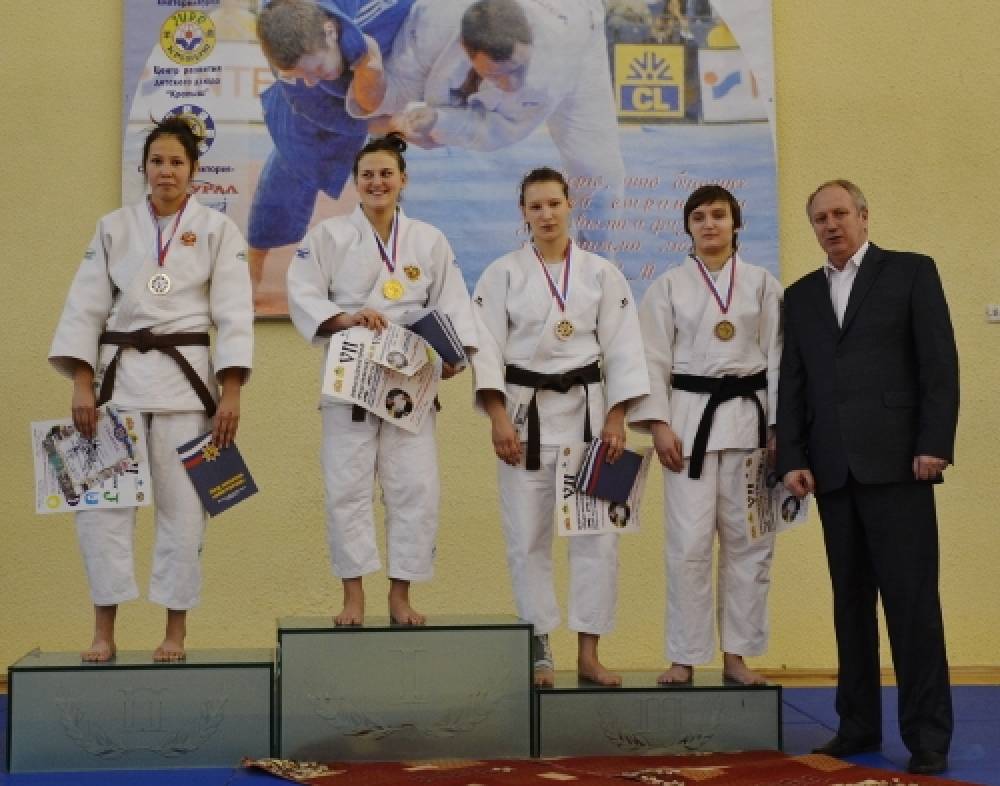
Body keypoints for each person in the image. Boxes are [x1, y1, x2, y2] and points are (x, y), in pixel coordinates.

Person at [48, 116, 254, 663]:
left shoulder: (217, 230)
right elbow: (85, 307)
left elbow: (235, 314)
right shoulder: (113, 227)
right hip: (118, 383)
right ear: (142, 168)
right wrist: (83, 382)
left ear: (194, 170)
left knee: (183, 512)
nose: (166, 171)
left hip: (186, 387)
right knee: (102, 510)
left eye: (176, 162)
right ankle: (103, 631)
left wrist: (231, 390)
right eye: (157, 161)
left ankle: (175, 632)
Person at [777, 179, 959, 776]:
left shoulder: (911, 272)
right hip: (832, 472)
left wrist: (934, 443)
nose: (830, 225)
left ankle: (927, 735)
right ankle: (856, 725)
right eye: (820, 218)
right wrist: (792, 456)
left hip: (900, 465)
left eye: (839, 213)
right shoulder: (801, 295)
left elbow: (939, 363)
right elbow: (794, 381)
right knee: (849, 606)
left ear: (863, 215)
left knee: (912, 606)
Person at [287, 134, 477, 626]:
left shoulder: (428, 240)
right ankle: (353, 597)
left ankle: (400, 595)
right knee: (346, 487)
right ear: (355, 182)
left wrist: (454, 356)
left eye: (386, 174)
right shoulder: (328, 236)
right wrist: (346, 317)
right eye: (367, 174)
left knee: (414, 487)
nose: (377, 182)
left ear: (403, 180)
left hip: (410, 376)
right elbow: (303, 292)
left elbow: (453, 301)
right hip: (350, 372)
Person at [471, 167, 649, 687]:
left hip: (590, 421)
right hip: (524, 422)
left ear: (571, 205)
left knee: (597, 536)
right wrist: (497, 417)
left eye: (554, 203)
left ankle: (589, 652)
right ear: (523, 213)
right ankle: (540, 648)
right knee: (526, 536)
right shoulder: (502, 274)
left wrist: (617, 417)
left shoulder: (602, 273)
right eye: (535, 206)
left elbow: (624, 349)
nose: (546, 214)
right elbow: (486, 349)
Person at [628, 185, 781, 686]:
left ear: (736, 224)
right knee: (688, 544)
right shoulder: (668, 287)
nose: (710, 223)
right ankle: (684, 656)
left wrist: (779, 427)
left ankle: (738, 657)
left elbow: (781, 358)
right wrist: (658, 423)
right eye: (699, 216)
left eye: (719, 215)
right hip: (688, 425)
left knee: (749, 544)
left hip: (751, 423)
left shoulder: (763, 285)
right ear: (688, 228)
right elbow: (651, 358)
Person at [346, 0, 626, 255]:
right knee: (374, 114)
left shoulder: (550, 68)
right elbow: (395, 94)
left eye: (516, 70)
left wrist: (439, 121)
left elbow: (499, 129)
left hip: (575, 23)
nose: (511, 84)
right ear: (465, 48)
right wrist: (379, 102)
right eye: (497, 74)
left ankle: (599, 268)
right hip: (454, 27)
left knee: (595, 168)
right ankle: (378, 243)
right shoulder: (433, 22)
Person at [249, 0, 414, 310]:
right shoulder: (293, 70)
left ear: (330, 31)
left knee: (385, 176)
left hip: (387, 58)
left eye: (316, 69)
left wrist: (371, 68)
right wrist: (385, 120)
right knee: (289, 168)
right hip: (315, 116)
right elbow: (328, 103)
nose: (311, 78)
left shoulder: (385, 13)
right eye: (302, 73)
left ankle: (393, 267)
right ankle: (253, 265)